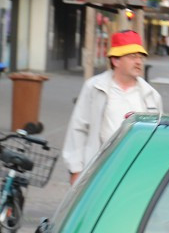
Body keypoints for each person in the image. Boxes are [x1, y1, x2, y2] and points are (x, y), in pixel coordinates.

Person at [62, 30, 163, 183]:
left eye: (140, 57)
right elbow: (78, 128)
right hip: (100, 170)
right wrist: (75, 169)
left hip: (136, 172)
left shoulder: (151, 96)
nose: (138, 62)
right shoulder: (94, 88)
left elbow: (157, 138)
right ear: (115, 60)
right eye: (132, 57)